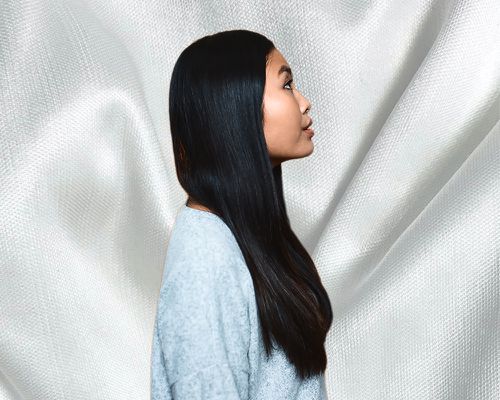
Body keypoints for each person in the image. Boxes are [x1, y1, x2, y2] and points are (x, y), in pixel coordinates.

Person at [151, 29, 333, 399]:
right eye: (286, 86)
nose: (304, 102)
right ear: (235, 108)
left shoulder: (241, 237)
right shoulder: (205, 259)